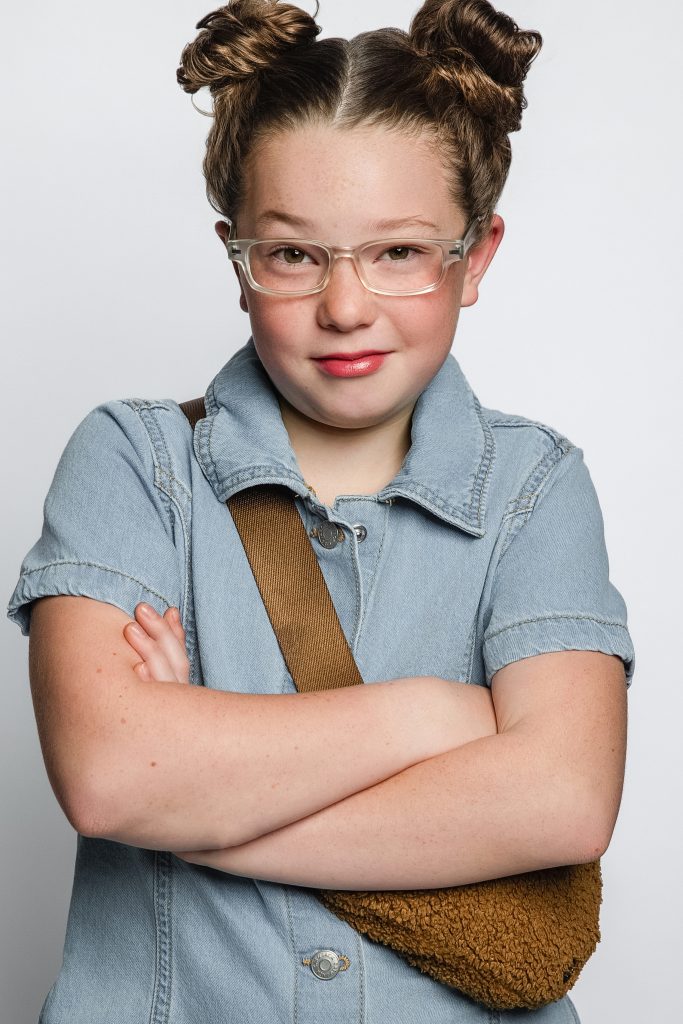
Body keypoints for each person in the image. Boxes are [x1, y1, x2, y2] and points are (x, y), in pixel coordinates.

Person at [6, 1, 635, 1021]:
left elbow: (560, 801)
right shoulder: (134, 463)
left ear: (474, 257)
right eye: (293, 255)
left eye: (399, 253)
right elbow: (111, 776)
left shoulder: (534, 486)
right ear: (237, 257)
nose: (344, 307)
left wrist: (201, 801)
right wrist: (434, 716)